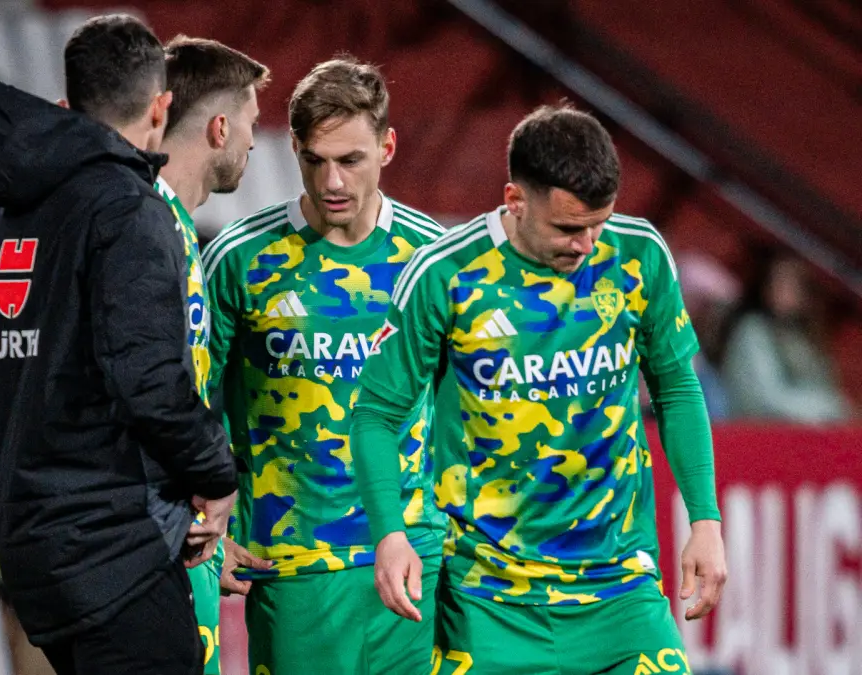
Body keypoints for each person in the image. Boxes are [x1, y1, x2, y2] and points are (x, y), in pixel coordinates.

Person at [351, 103, 728, 675]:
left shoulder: (640, 255)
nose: (586, 244)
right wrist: (390, 534)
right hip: (486, 601)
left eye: (598, 223)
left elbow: (676, 388)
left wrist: (705, 521)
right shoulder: (444, 274)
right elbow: (375, 414)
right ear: (515, 200)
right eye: (568, 228)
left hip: (620, 590)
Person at [0, 14, 237, 675]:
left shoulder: (0, 223)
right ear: (161, 108)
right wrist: (215, 474)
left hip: (33, 553)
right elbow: (148, 381)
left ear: (69, 104)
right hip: (115, 551)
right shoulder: (128, 210)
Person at [201, 56, 449, 675]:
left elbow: (469, 405)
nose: (332, 181)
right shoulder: (240, 259)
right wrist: (205, 525)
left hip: (417, 553)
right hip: (292, 566)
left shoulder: (433, 258)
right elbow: (189, 400)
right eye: (315, 160)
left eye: (351, 160)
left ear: (387, 147)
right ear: (293, 149)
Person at [155, 35, 274, 675]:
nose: (255, 141)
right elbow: (144, 390)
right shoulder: (146, 229)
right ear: (220, 128)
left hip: (179, 543)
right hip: (151, 558)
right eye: (251, 121)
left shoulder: (178, 227)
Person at [719, 250, 851, 423]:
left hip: (808, 427)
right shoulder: (752, 330)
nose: (780, 290)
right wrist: (829, 408)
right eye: (775, 282)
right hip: (757, 428)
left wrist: (834, 408)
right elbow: (767, 398)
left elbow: (824, 387)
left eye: (789, 285)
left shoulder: (807, 337)